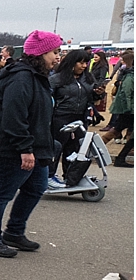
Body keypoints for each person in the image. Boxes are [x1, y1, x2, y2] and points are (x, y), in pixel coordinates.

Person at [0, 30, 60, 258]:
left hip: (34, 146)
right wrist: (25, 148)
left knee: (35, 188)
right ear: (40, 53)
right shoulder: (21, 77)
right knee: (1, 194)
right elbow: (14, 116)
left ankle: (14, 231)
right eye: (54, 52)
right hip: (10, 147)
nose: (57, 57)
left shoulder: (36, 76)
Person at [48, 50, 99, 186]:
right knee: (57, 147)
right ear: (72, 63)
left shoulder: (88, 78)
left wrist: (98, 94)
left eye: (86, 63)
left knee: (75, 149)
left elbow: (91, 98)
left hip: (80, 118)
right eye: (81, 62)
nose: (84, 66)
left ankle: (70, 177)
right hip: (60, 117)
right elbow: (48, 98)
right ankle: (49, 176)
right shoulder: (57, 79)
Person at [101, 50, 133, 167]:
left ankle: (122, 155)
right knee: (121, 129)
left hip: (126, 109)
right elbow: (127, 93)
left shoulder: (126, 73)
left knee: (119, 128)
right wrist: (129, 108)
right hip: (129, 109)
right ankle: (123, 156)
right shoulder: (129, 75)